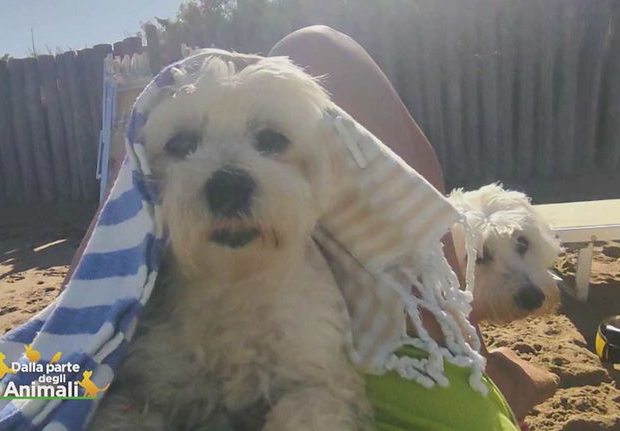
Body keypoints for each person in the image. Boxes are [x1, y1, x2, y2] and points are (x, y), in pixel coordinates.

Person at [66, 24, 558, 430]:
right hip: (433, 392)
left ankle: (489, 366)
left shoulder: (305, 322)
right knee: (318, 47)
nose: (225, 179)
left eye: (269, 140)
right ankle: (482, 360)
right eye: (182, 146)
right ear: (146, 182)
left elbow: (51, 378)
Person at [270, 25, 558, 430]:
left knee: (312, 49)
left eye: (523, 246)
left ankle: (474, 352)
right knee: (316, 48)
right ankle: (468, 346)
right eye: (482, 258)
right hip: (441, 388)